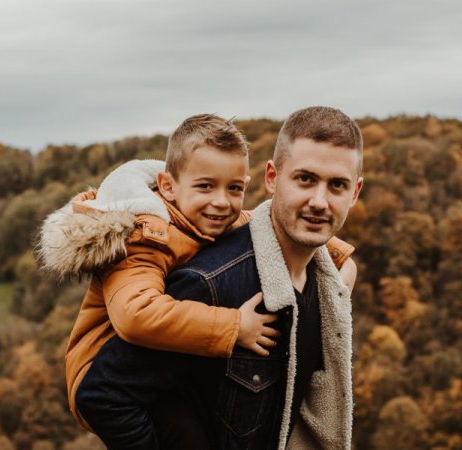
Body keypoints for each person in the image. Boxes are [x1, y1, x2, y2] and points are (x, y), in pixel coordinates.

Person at [37, 113, 356, 449]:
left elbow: (265, 225)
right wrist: (235, 327)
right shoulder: (147, 239)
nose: (221, 201)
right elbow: (134, 318)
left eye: (234, 189)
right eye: (205, 186)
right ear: (167, 187)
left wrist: (339, 267)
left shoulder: (206, 221)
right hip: (102, 365)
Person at [159, 105, 364, 449]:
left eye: (337, 185)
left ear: (354, 193)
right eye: (305, 179)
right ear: (272, 177)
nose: (319, 201)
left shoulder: (328, 288)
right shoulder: (209, 282)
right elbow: (103, 395)